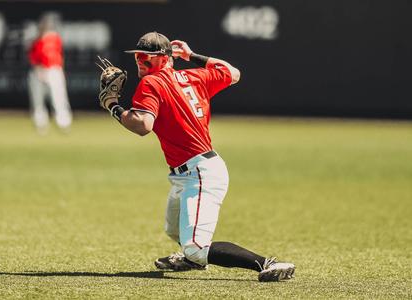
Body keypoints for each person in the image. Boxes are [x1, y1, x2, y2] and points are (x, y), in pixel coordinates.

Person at [97, 32, 295, 282]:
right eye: (138, 56)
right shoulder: (194, 75)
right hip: (191, 171)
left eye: (147, 57)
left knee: (195, 246)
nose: (140, 60)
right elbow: (232, 73)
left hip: (199, 173)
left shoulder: (152, 83)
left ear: (164, 59)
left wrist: (113, 105)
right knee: (173, 229)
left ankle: (267, 263)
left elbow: (143, 125)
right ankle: (192, 259)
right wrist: (191, 56)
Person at [27, 13, 72, 133]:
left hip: (54, 70)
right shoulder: (36, 39)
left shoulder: (55, 38)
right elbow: (33, 57)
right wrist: (38, 69)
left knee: (59, 98)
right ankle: (40, 123)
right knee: (38, 100)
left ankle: (63, 123)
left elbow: (58, 56)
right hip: (40, 70)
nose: (47, 26)